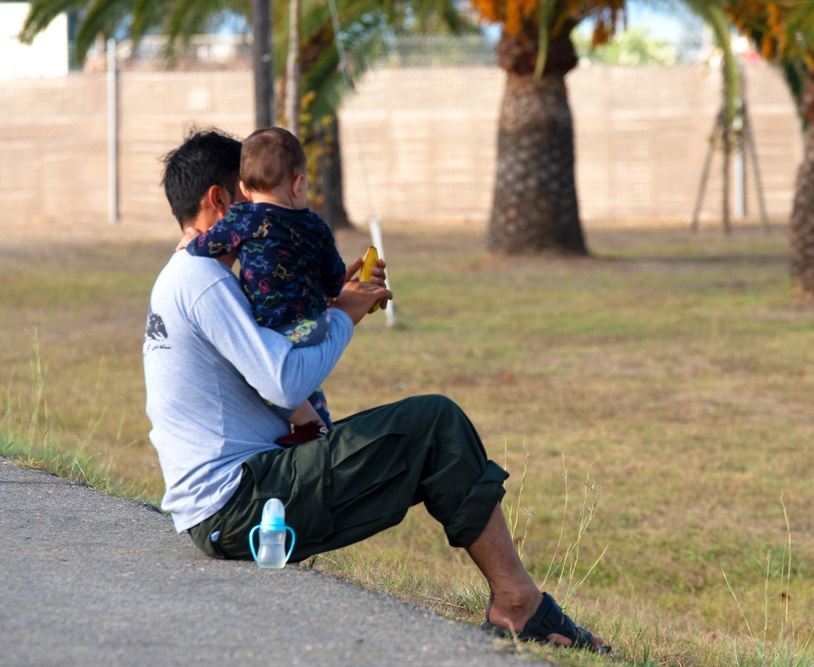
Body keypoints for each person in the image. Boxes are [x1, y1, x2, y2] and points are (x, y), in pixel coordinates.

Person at [143, 128, 606, 653]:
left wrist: (333, 299)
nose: (262, 216)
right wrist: (345, 314)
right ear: (222, 200)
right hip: (241, 506)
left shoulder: (189, 277)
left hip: (230, 502)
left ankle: (517, 602)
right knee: (433, 424)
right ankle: (518, 605)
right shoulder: (204, 280)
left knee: (425, 429)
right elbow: (284, 382)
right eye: (250, 198)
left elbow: (274, 351)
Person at [177, 126, 345, 445]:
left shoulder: (244, 218)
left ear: (243, 188)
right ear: (299, 183)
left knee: (260, 376)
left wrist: (191, 241)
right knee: (303, 380)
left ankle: (311, 424)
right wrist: (331, 292)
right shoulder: (317, 226)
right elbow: (335, 277)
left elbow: (209, 244)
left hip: (275, 329)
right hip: (315, 325)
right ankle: (320, 426)